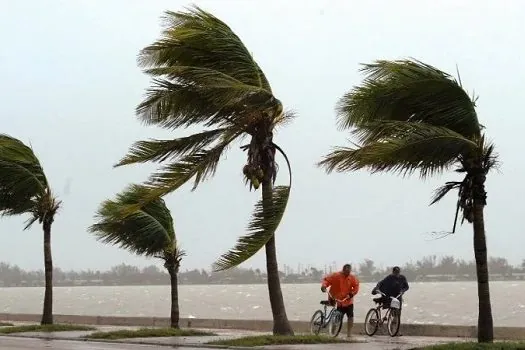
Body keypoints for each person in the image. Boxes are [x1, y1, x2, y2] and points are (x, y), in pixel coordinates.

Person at [321, 264, 360, 338]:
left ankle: (349, 333)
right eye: (346, 271)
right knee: (338, 318)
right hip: (338, 299)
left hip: (348, 300)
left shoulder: (352, 278)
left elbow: (356, 286)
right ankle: (332, 333)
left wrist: (351, 294)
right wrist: (324, 286)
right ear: (343, 270)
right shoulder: (336, 275)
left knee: (350, 316)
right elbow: (326, 280)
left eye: (349, 272)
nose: (347, 273)